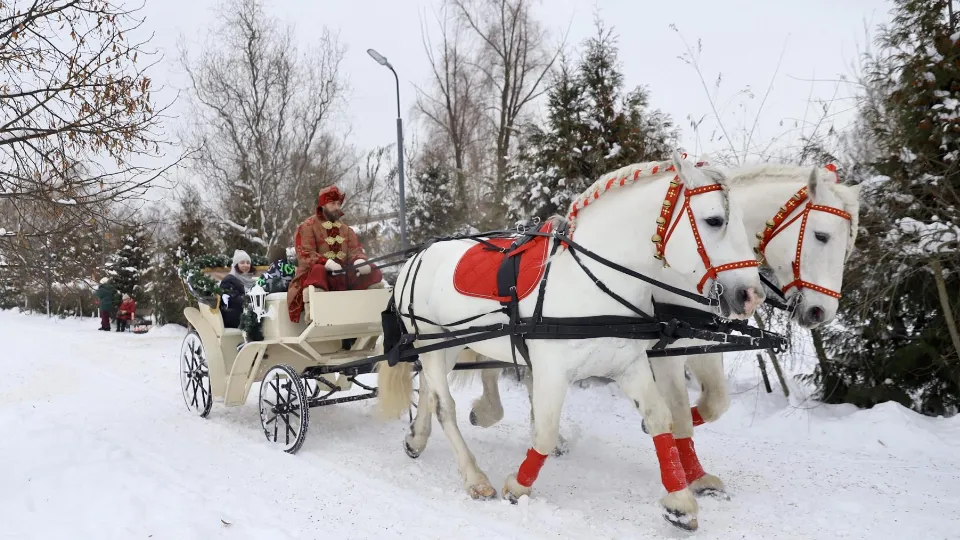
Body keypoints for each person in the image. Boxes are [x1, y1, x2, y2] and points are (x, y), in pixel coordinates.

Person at [287, 185, 382, 323]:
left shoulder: (346, 230)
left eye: (338, 203)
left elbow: (355, 249)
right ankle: (315, 315)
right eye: (332, 203)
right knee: (318, 270)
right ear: (323, 205)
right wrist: (327, 263)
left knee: (372, 270)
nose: (337, 207)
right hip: (315, 276)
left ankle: (373, 312)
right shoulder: (307, 226)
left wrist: (359, 261)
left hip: (342, 276)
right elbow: (305, 253)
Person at [220, 249, 256, 328]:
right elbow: (234, 300)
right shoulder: (229, 280)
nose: (246, 265)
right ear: (236, 265)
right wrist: (253, 301)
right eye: (242, 263)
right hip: (235, 318)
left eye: (248, 263)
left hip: (249, 314)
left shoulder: (251, 281)